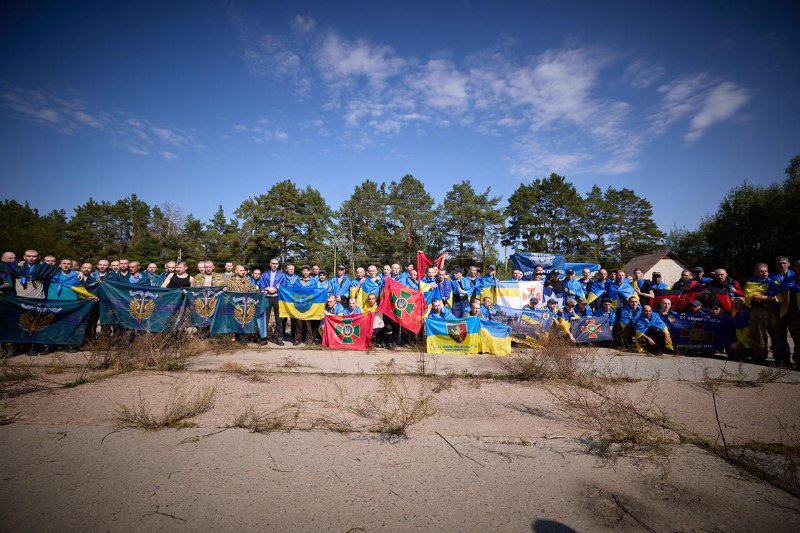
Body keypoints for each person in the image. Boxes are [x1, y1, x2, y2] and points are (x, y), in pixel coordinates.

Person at [745, 262, 783, 364]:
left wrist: (764, 297)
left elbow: (780, 297)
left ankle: (780, 359)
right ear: (754, 272)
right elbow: (754, 297)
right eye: (761, 271)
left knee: (777, 334)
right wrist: (770, 298)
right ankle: (760, 357)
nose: (764, 273)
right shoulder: (751, 282)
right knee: (760, 334)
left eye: (766, 271)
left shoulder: (774, 282)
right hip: (758, 311)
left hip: (774, 311)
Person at [770, 256, 795, 365]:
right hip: (777, 309)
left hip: (794, 310)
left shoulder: (795, 275)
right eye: (779, 263)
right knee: (779, 335)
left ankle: (797, 358)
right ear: (776, 265)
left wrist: (781, 287)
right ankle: (781, 359)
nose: (782, 265)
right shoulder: (771, 276)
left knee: (796, 335)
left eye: (784, 263)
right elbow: (771, 291)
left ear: (789, 263)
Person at [257, 258, 286, 346]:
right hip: (266, 297)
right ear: (270, 264)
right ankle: (263, 338)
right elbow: (261, 285)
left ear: (278, 265)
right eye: (273, 263)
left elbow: (284, 286)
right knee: (265, 318)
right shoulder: (264, 275)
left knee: (279, 319)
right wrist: (267, 288)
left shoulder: (282, 275)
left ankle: (278, 338)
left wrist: (276, 288)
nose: (274, 265)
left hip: (277, 298)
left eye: (276, 264)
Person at [729, 297, 753, 362]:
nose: (734, 305)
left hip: (747, 339)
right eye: (733, 303)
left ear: (744, 303)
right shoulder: (737, 314)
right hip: (739, 337)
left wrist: (737, 343)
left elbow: (748, 332)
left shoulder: (750, 312)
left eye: (737, 303)